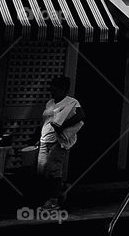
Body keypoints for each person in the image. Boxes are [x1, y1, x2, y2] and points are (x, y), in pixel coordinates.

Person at [37, 76, 84, 209]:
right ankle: (58, 191)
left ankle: (53, 200)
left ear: (63, 89)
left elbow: (80, 116)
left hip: (57, 141)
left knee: (53, 170)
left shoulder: (71, 102)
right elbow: (45, 121)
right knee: (42, 170)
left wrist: (62, 125)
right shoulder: (50, 103)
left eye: (55, 89)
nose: (52, 92)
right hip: (44, 139)